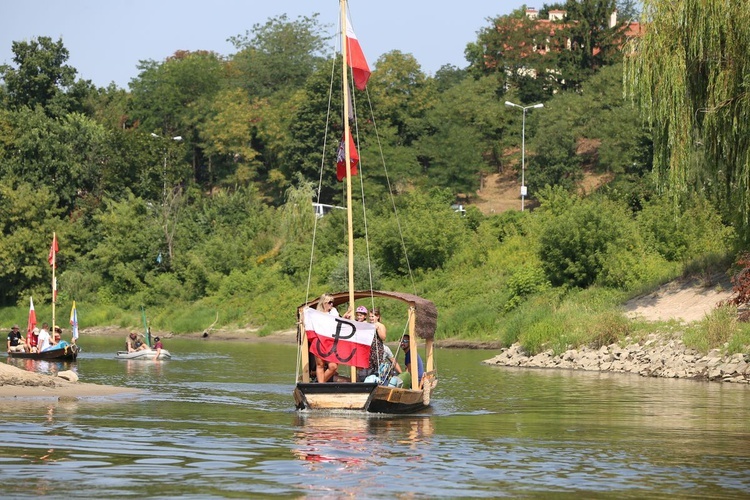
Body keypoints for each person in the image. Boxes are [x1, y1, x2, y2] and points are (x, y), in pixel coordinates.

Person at [313, 293, 339, 382]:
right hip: (319, 341)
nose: (331, 304)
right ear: (324, 303)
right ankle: (321, 386)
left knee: (333, 366)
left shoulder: (333, 312)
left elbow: (338, 322)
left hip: (331, 342)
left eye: (332, 302)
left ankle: (320, 383)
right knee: (320, 364)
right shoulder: (316, 314)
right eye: (329, 302)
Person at [360, 307, 386, 381]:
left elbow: (383, 337)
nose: (371, 318)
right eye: (370, 316)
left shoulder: (380, 325)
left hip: (377, 350)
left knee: (378, 367)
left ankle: (379, 380)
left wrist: (377, 329)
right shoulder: (368, 324)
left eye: (372, 316)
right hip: (369, 350)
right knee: (369, 367)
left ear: (377, 316)